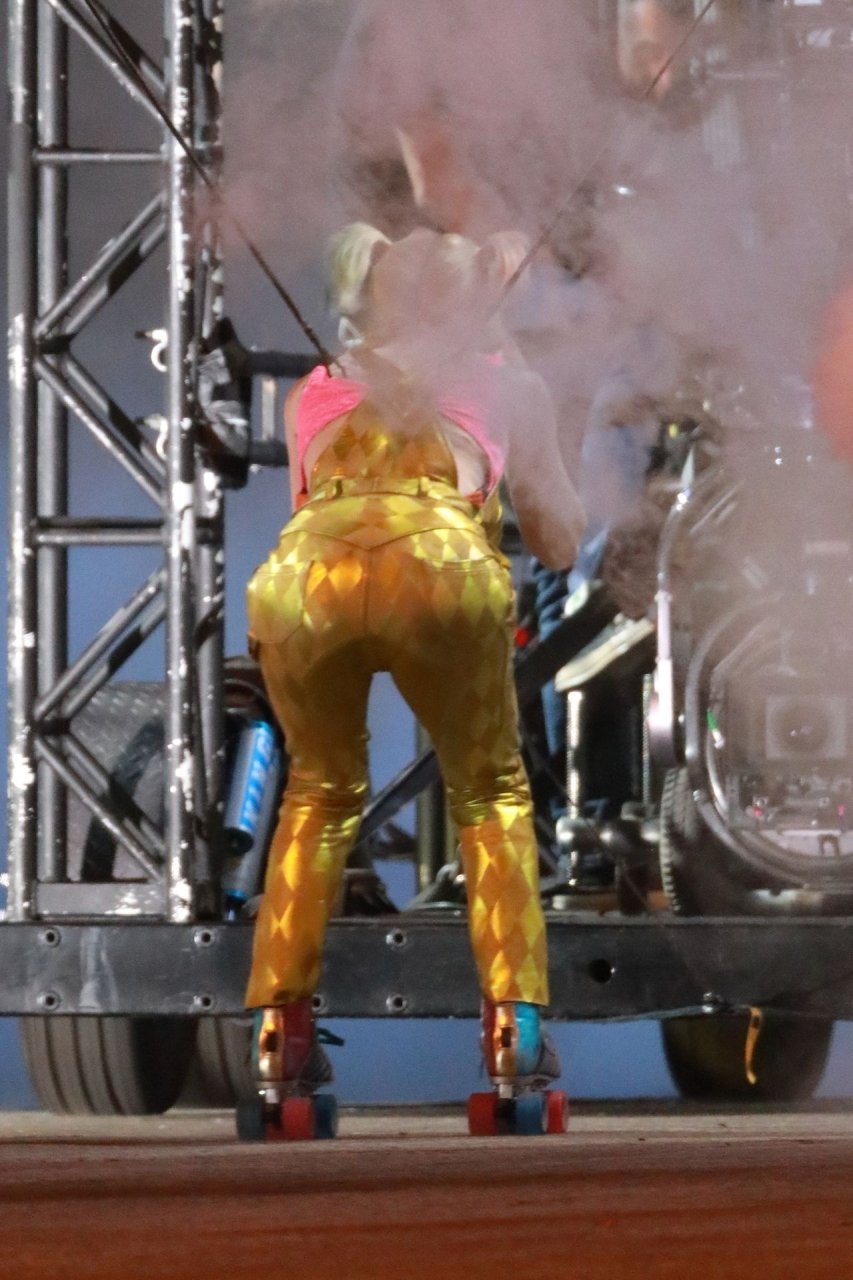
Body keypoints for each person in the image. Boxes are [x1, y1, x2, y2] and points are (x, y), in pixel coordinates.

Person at [241, 224, 584, 1135]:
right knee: (490, 794)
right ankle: (514, 1035)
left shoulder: (314, 388)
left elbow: (312, 512)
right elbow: (558, 541)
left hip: (302, 583)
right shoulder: (508, 383)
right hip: (441, 575)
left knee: (318, 793)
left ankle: (279, 1040)